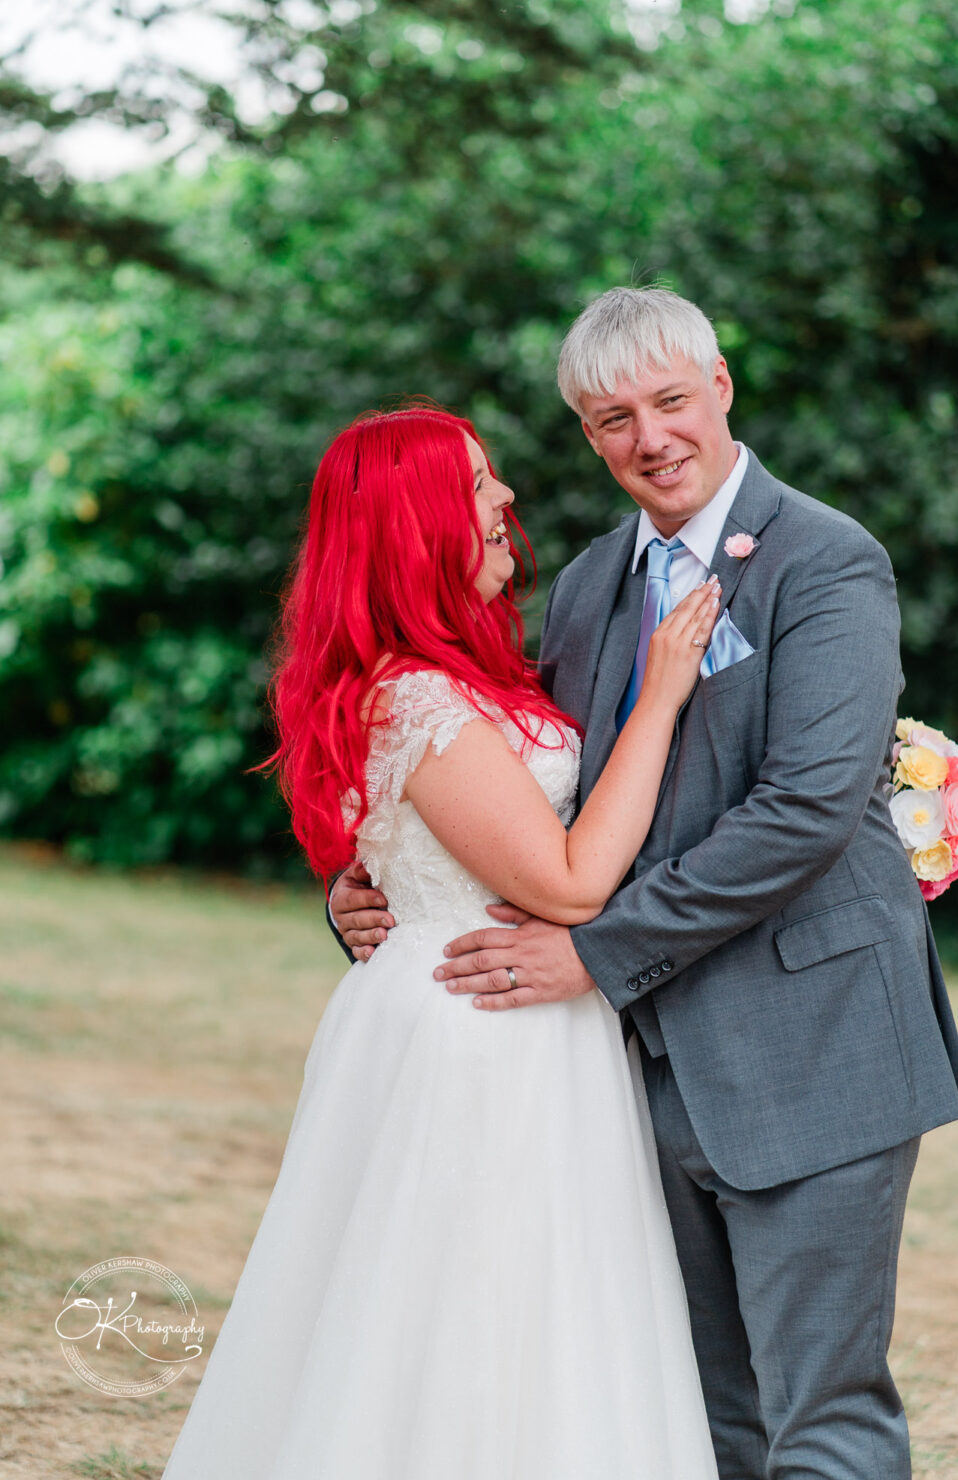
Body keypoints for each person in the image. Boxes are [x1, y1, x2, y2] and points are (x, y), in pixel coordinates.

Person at [329, 288, 958, 1480]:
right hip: (622, 1079)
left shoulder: (827, 560)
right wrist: (370, 886)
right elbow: (495, 777)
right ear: (587, 432)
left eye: (672, 401)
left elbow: (804, 811)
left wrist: (594, 950)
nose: (650, 437)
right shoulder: (582, 589)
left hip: (811, 1046)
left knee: (818, 1421)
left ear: (720, 388)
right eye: (612, 416)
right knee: (694, 1421)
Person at [161, 403, 721, 1479]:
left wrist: (359, 887)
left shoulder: (477, 674)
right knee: (455, 1314)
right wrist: (660, 698)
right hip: (476, 1031)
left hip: (524, 1020)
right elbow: (567, 880)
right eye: (475, 485)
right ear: (417, 527)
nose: (505, 497)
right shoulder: (413, 694)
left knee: (526, 1313)